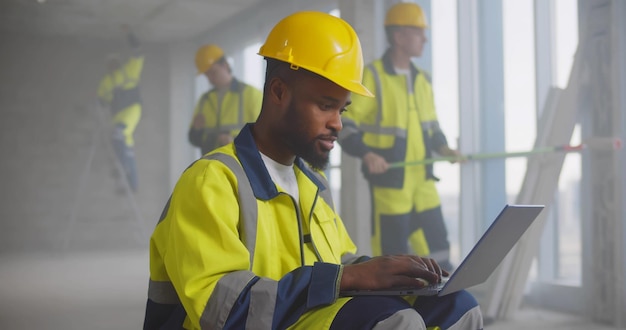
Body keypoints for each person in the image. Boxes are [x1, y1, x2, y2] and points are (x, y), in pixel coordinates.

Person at [143, 11, 482, 330]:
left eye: (342, 109)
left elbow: (339, 263)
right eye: (325, 106)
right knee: (393, 322)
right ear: (278, 92)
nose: (337, 123)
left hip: (299, 315)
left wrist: (393, 272)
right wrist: (347, 278)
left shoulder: (312, 185)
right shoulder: (211, 183)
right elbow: (225, 312)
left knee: (459, 306)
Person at [338, 2, 461, 270]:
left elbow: (432, 126)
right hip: (391, 186)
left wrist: (445, 149)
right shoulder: (373, 77)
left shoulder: (423, 80)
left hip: (423, 182)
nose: (425, 38)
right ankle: (398, 310)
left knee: (438, 250)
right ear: (398, 36)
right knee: (394, 259)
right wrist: (367, 154)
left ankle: (443, 305)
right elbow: (345, 122)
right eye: (418, 32)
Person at [189, 44, 262, 156]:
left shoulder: (251, 95)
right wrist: (197, 130)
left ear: (225, 65)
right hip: (211, 166)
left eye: (213, 72)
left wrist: (235, 141)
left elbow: (265, 136)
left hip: (241, 164)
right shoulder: (205, 100)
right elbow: (194, 139)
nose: (210, 79)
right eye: (206, 75)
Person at [97, 24, 144, 192]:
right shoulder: (106, 82)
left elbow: (138, 52)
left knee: (119, 134)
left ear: (118, 61)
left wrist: (130, 33)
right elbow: (101, 101)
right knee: (123, 143)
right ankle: (131, 182)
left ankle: (124, 173)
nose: (113, 65)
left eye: (114, 61)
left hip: (132, 110)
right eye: (110, 63)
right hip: (117, 116)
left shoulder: (129, 70)